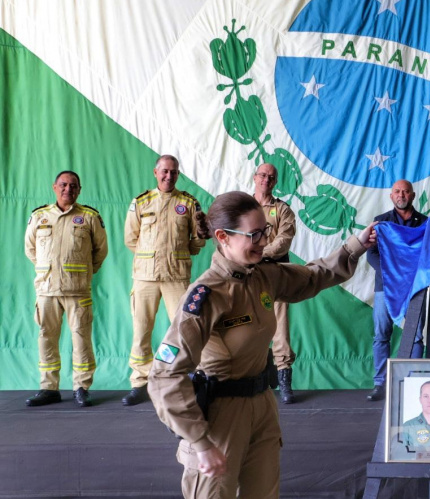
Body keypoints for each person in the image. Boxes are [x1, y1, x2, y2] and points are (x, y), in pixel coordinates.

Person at [147, 191, 375, 499]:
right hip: (219, 417)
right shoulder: (205, 296)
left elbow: (313, 276)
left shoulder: (262, 276)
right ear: (223, 237)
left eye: (265, 231)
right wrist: (200, 442)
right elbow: (164, 377)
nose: (264, 240)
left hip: (262, 406)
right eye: (254, 234)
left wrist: (356, 246)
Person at [122, 155, 207, 406]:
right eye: (165, 172)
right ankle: (140, 382)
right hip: (145, 277)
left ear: (178, 175)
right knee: (141, 331)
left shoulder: (189, 203)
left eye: (174, 172)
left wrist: (180, 251)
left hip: (176, 276)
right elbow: (131, 239)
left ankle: (189, 378)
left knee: (185, 330)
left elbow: (199, 239)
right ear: (155, 172)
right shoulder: (141, 202)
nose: (169, 176)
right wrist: (151, 256)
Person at [24, 171, 108, 407]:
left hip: (77, 291)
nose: (67, 189)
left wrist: (82, 274)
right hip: (47, 291)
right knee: (46, 338)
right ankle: (49, 388)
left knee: (81, 339)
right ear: (54, 187)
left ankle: (81, 387)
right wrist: (47, 271)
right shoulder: (39, 216)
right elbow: (31, 249)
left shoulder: (89, 217)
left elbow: (100, 251)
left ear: (79, 190)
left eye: (73, 186)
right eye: (63, 185)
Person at [365, 180, 427, 402]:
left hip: (415, 287)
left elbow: (429, 256)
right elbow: (371, 254)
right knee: (382, 334)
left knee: (416, 336)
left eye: (406, 192)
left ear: (413, 195)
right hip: (385, 287)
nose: (402, 195)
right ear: (391, 196)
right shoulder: (380, 222)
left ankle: (415, 383)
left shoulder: (425, 224)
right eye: (397, 192)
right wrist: (390, 272)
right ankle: (380, 383)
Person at [252, 163, 298, 404]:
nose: (266, 180)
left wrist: (256, 252)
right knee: (249, 325)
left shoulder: (283, 210)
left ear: (275, 182)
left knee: (281, 327)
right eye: (262, 175)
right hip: (248, 276)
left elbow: (284, 241)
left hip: (276, 273)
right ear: (254, 177)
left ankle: (284, 379)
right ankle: (253, 377)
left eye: (271, 177)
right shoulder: (243, 207)